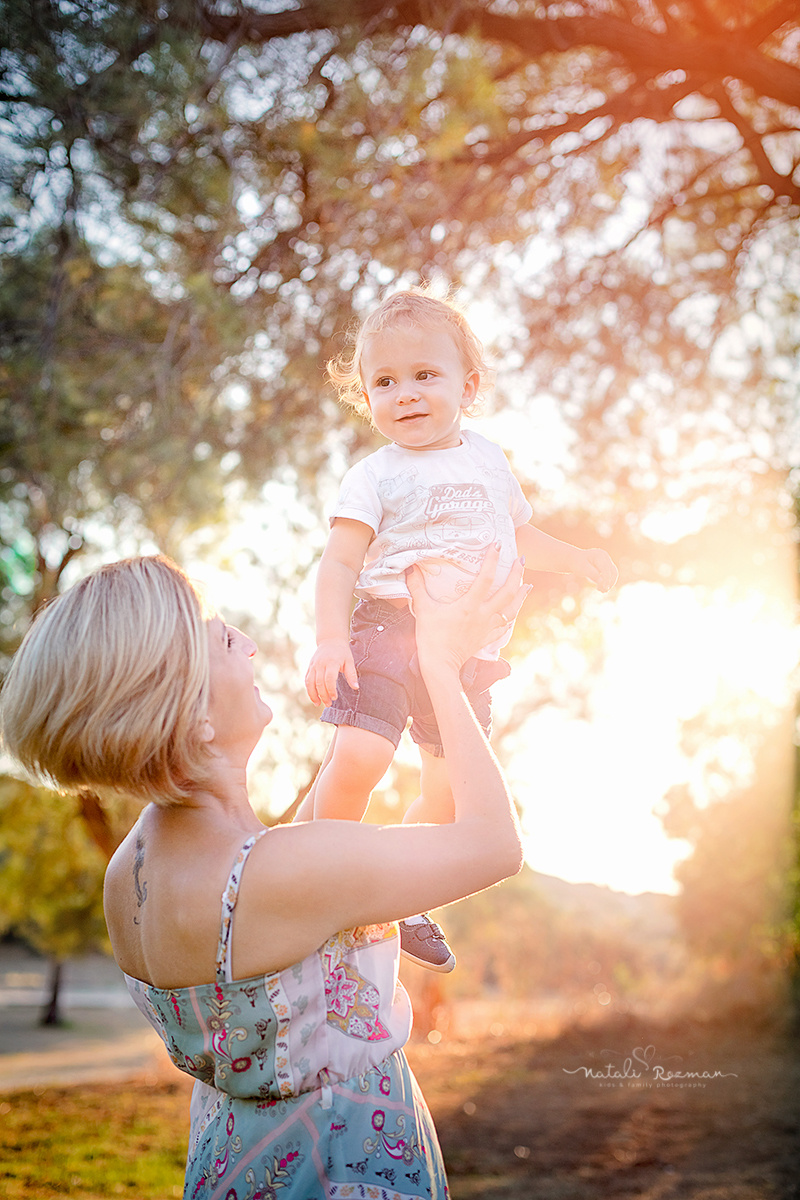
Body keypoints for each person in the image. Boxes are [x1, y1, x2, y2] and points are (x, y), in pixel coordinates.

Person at [0, 547, 526, 1200]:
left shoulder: (131, 872)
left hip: (237, 1168)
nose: (247, 644)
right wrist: (443, 671)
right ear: (187, 709)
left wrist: (422, 694)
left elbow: (392, 812)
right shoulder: (278, 874)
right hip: (341, 1170)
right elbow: (492, 844)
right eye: (223, 639)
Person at [304, 290, 618, 972]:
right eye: (384, 382)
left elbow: (521, 534)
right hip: (389, 629)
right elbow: (338, 563)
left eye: (425, 376)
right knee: (359, 755)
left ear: (468, 386)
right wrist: (331, 638)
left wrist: (579, 559)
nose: (405, 394)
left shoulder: (488, 461)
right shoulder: (374, 475)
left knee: (446, 797)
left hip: (470, 653)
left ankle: (397, 894)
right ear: (366, 397)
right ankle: (310, 870)